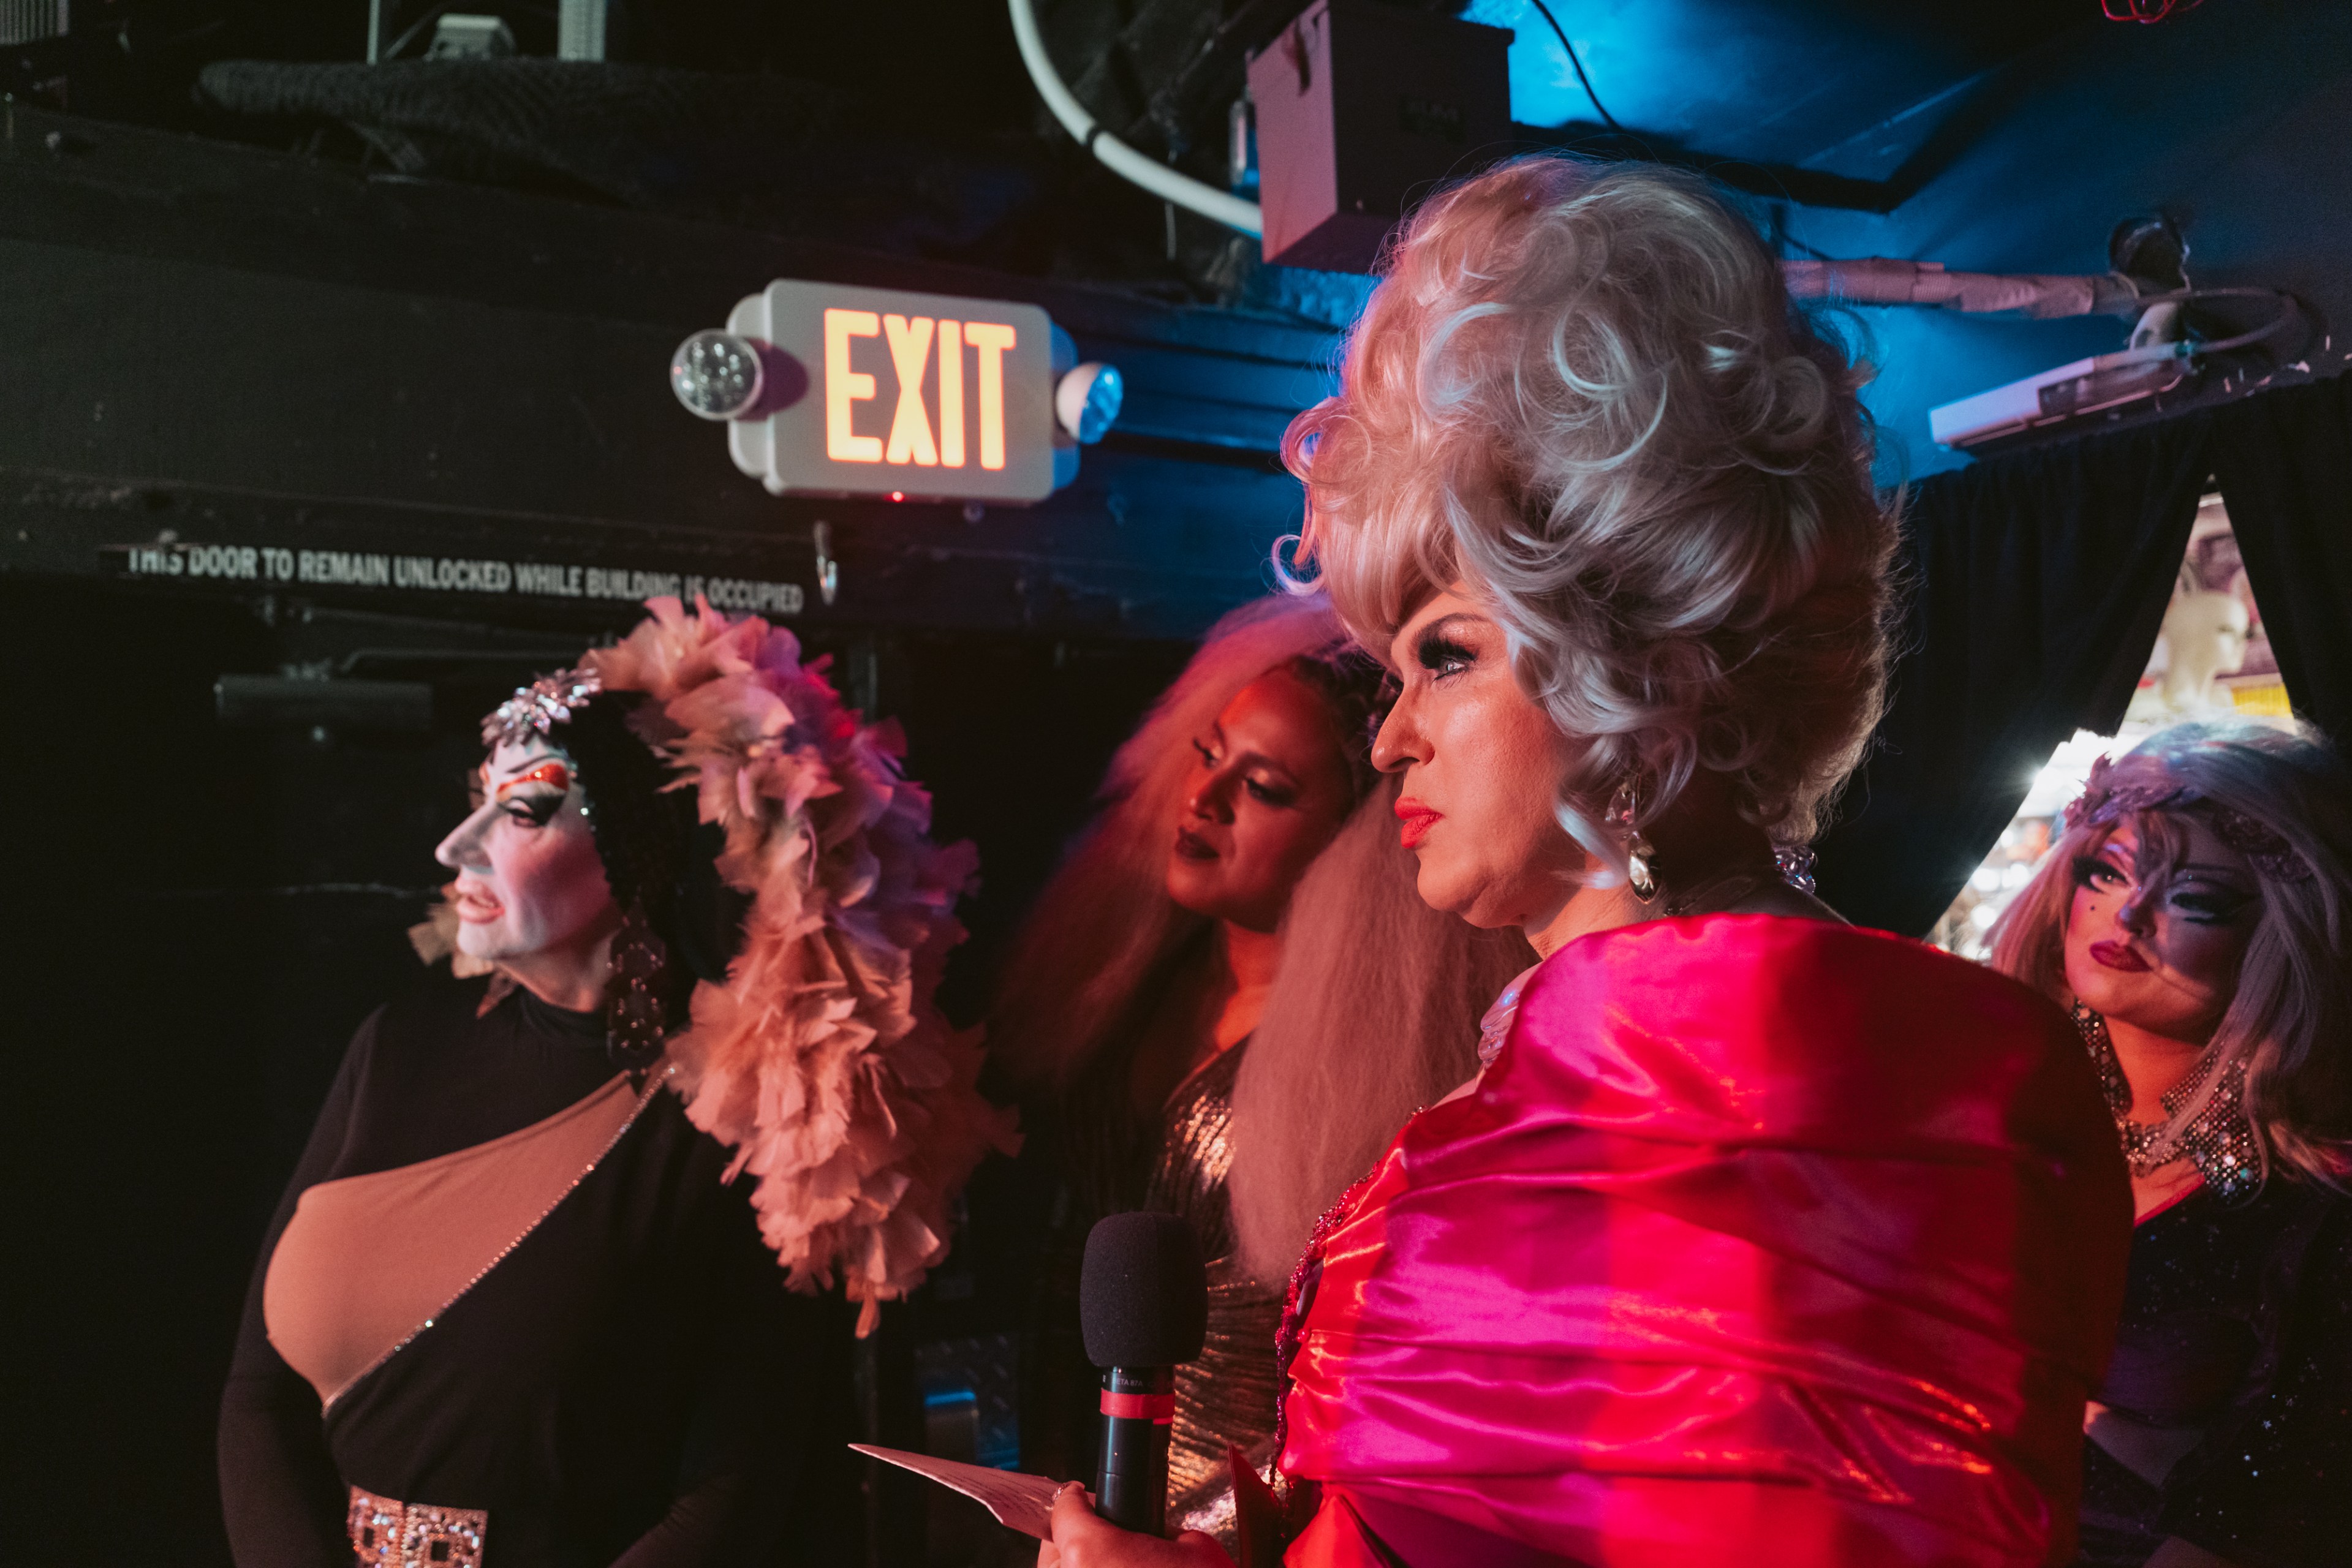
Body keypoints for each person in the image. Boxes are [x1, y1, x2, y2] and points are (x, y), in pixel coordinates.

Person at [1040, 156, 2130, 1568]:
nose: (1391, 748)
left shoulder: (1569, 1152)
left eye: (1443, 656)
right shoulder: (2000, 1070)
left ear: (1628, 665)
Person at [221, 598, 1010, 1567]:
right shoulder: (396, 1046)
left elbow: (738, 1486)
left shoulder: (746, 1114)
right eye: (479, 795)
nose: (454, 846)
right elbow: (258, 1397)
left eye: (520, 810)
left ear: (633, 854)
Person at [991, 595, 1530, 1546]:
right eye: (1208, 756)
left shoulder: (1372, 1080)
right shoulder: (1121, 986)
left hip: (1230, 1532)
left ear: (1361, 839)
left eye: (1266, 787)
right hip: (1061, 1478)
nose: (1202, 801)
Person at [1987, 720, 2352, 1567]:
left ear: (2286, 929)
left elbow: (2286, 1495)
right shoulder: (1978, 1115)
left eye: (2197, 896)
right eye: (2106, 871)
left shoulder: (2311, 1208)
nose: (2133, 912)